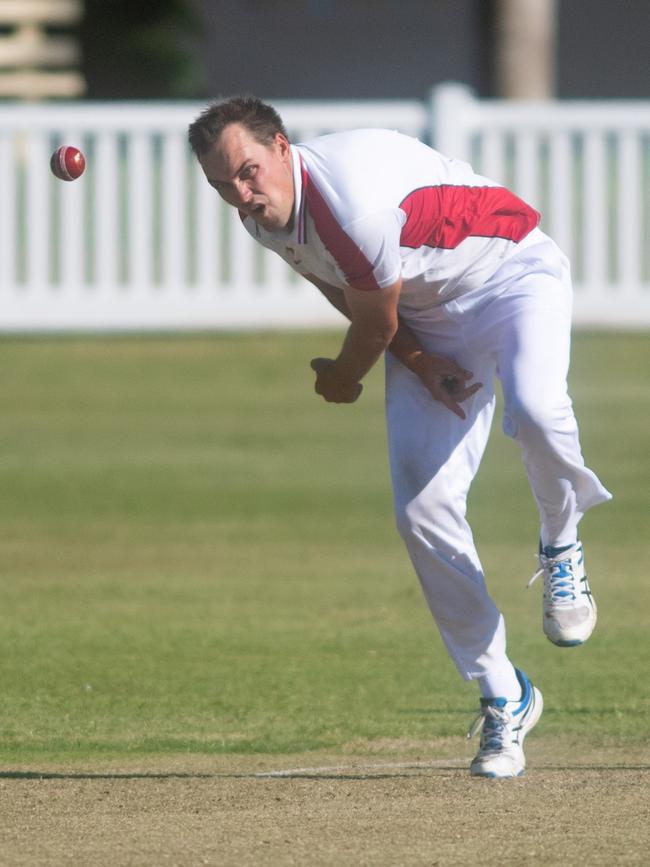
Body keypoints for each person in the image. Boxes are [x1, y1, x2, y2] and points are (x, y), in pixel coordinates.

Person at [188, 97, 612, 779]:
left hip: (510, 275)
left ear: (281, 145)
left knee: (535, 408)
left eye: (248, 172)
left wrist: (343, 379)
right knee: (422, 512)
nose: (240, 194)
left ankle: (561, 544)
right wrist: (422, 363)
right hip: (428, 318)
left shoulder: (348, 204)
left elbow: (371, 327)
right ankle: (505, 691)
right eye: (221, 185)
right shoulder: (263, 215)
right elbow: (344, 290)